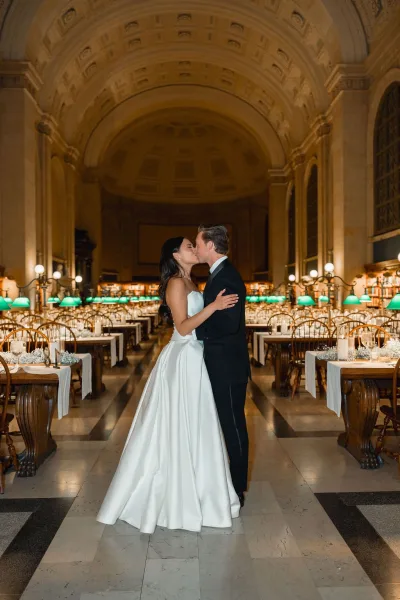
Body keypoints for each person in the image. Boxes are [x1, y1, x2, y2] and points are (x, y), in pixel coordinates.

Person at [97, 236, 240, 534]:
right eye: (189, 246)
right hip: (182, 358)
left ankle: (201, 492)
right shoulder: (176, 283)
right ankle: (176, 497)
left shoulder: (192, 281)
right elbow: (183, 326)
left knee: (198, 424)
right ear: (175, 254)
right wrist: (213, 306)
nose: (193, 249)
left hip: (195, 357)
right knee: (179, 425)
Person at [195, 225, 250, 507]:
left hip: (228, 365)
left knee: (234, 426)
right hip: (223, 363)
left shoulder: (226, 276)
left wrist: (196, 332)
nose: (196, 248)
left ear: (211, 247)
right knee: (228, 424)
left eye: (198, 244)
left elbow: (228, 325)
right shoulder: (218, 274)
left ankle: (238, 488)